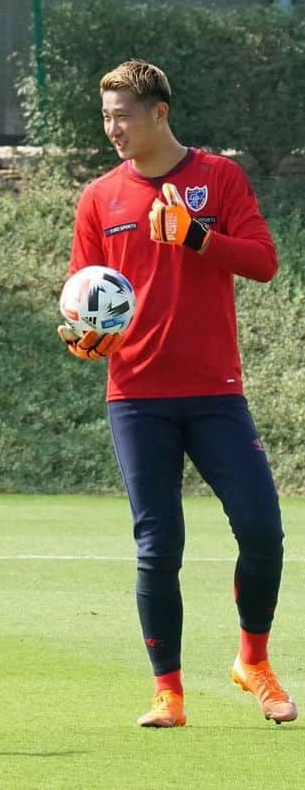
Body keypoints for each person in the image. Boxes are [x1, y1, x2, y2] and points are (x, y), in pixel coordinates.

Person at [58, 59, 293, 728]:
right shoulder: (100, 198)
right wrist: (83, 341)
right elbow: (83, 300)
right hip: (135, 395)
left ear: (159, 112)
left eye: (122, 115)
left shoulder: (218, 178)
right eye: (105, 117)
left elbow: (264, 262)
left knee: (262, 530)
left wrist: (196, 236)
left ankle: (253, 660)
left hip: (216, 392)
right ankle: (169, 692)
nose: (112, 129)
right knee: (159, 546)